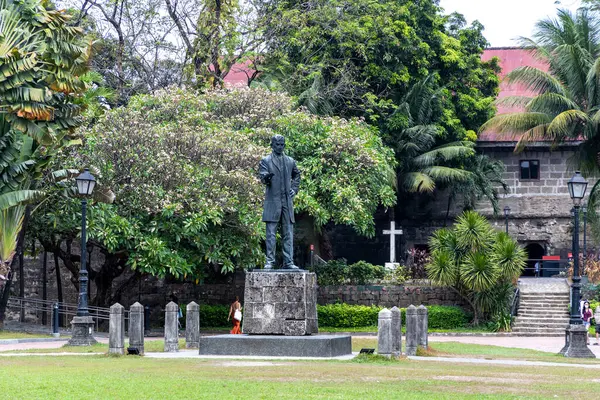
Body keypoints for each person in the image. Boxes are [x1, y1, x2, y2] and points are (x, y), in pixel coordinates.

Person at [258, 134, 301, 270]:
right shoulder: (266, 160)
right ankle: (270, 261)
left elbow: (297, 174)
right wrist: (267, 178)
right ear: (272, 145)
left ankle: (289, 261)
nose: (280, 147)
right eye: (277, 144)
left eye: (282, 144)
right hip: (273, 202)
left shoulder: (290, 161)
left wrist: (294, 188)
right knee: (270, 234)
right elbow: (263, 177)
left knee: (288, 233)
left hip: (287, 202)